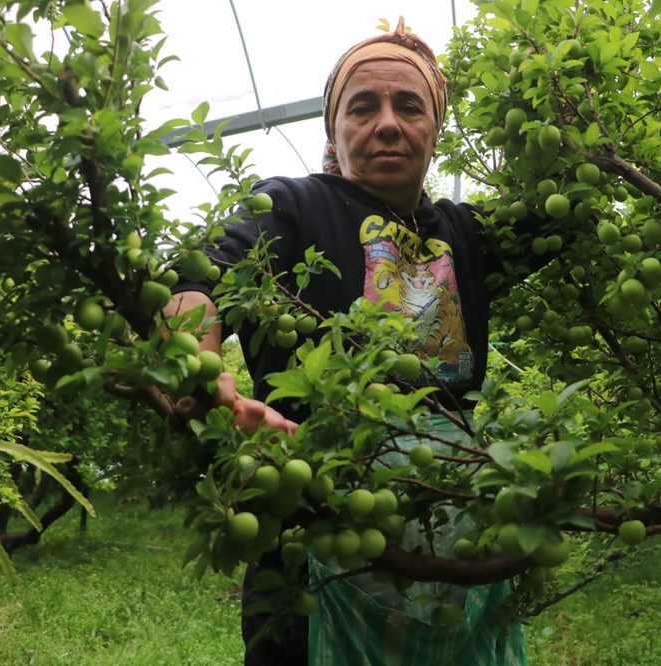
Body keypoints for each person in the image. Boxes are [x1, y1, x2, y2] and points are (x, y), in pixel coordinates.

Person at [168, 17, 529, 665]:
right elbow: (195, 280)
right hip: (318, 547)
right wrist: (202, 372)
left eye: (410, 106)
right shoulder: (292, 208)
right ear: (333, 130)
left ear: (436, 130)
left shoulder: (469, 234)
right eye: (362, 107)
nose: (387, 123)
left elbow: (576, 198)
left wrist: (551, 78)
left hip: (459, 558)